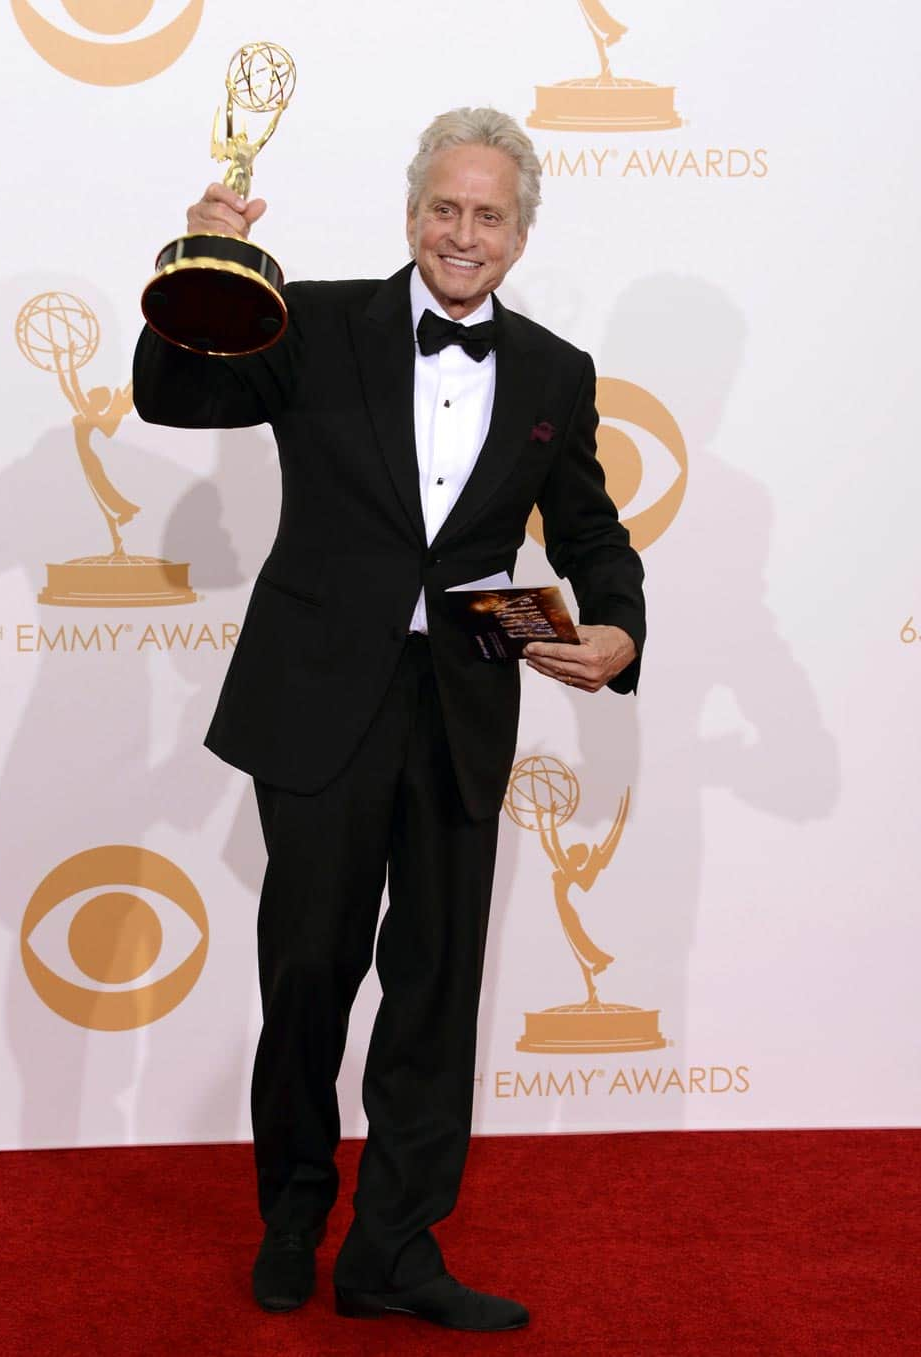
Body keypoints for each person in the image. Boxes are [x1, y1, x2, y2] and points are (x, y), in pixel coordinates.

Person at [133, 106, 645, 1334]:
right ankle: (294, 1215)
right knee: (308, 972)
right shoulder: (313, 318)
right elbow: (170, 401)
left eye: (488, 216)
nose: (461, 234)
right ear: (412, 211)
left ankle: (395, 1247)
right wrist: (201, 264)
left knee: (434, 985)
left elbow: (583, 527)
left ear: (520, 235)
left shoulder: (553, 372)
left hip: (460, 704)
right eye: (443, 208)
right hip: (317, 700)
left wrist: (622, 628)